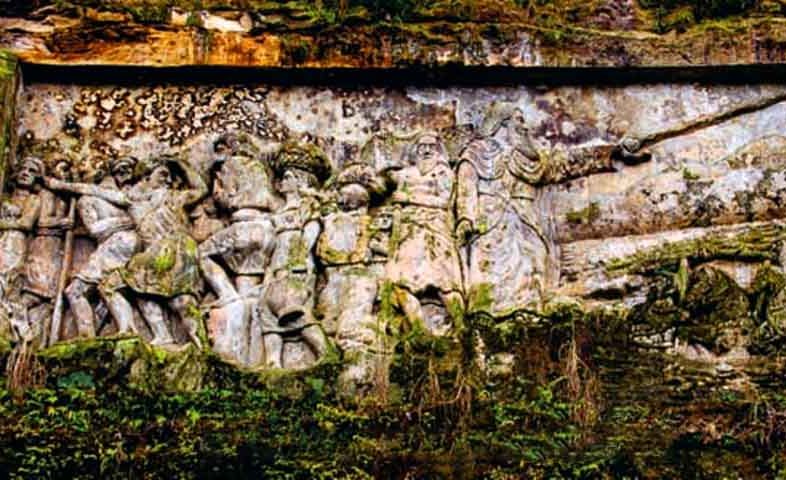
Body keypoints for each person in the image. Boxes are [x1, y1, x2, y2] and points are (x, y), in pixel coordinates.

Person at [199, 133, 279, 365]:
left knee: (201, 253)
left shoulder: (228, 166)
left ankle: (227, 294)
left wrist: (217, 188)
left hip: (242, 227)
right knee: (250, 283)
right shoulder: (260, 169)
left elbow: (224, 199)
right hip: (266, 229)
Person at [45, 156, 141, 338]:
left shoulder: (125, 196)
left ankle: (88, 336)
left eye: (127, 169)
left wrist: (61, 185)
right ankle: (122, 330)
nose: (124, 174)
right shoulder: (88, 200)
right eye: (120, 169)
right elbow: (94, 230)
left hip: (118, 244)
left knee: (75, 291)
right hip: (118, 244)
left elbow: (96, 229)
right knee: (108, 287)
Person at [384, 132, 464, 335]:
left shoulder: (443, 173)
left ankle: (461, 327)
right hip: (409, 232)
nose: (427, 150)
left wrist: (408, 199)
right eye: (422, 146)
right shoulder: (406, 173)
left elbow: (445, 202)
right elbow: (382, 182)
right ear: (415, 150)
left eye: (431, 146)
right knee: (401, 280)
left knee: (444, 280)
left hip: (435, 229)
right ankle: (419, 329)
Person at [259, 143, 331, 369]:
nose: (282, 182)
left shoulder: (308, 207)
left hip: (296, 267)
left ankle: (325, 353)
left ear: (300, 181)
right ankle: (272, 362)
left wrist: (297, 265)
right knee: (266, 312)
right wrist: (269, 272)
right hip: (276, 268)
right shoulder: (279, 213)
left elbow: (310, 236)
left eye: (288, 177)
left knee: (297, 312)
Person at [0, 156, 43, 342]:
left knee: (7, 280)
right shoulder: (6, 197)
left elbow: (25, 223)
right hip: (4, 237)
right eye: (23, 169)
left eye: (32, 171)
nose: (26, 173)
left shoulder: (34, 199)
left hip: (15, 242)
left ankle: (16, 329)